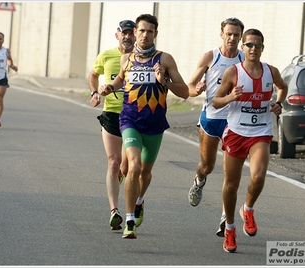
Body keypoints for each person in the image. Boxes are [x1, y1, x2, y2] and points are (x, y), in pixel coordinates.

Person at [99, 14, 189, 239]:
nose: (145, 35)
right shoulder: (126, 59)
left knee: (145, 174)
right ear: (135, 33)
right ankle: (130, 221)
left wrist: (164, 81)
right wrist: (110, 87)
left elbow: (185, 92)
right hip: (129, 120)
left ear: (155, 34)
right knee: (134, 166)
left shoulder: (165, 60)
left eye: (150, 31)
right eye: (141, 31)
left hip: (155, 124)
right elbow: (121, 78)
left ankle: (139, 201)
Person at [213, 28, 288, 253]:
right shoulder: (233, 73)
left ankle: (248, 209)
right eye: (249, 45)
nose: (253, 49)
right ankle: (230, 228)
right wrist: (230, 97)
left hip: (260, 132)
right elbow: (215, 102)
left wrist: (278, 103)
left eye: (257, 45)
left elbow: (283, 88)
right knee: (231, 184)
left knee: (257, 175)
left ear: (263, 48)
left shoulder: (271, 72)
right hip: (236, 132)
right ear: (243, 48)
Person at [186, 18, 245, 237]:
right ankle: (199, 181)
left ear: (240, 37)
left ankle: (224, 218)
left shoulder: (243, 59)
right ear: (222, 34)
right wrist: (197, 89)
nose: (232, 38)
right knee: (208, 165)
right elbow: (190, 86)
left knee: (230, 174)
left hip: (234, 121)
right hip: (211, 117)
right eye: (228, 34)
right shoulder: (210, 57)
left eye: (236, 35)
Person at [88, 20, 136, 231]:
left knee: (126, 167)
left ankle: (118, 179)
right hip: (111, 114)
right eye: (123, 33)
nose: (127, 37)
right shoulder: (106, 55)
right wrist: (94, 92)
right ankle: (114, 211)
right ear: (117, 35)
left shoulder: (141, 58)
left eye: (130, 33)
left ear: (135, 36)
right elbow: (93, 74)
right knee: (114, 162)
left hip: (133, 115)